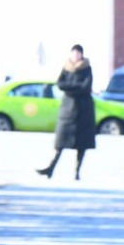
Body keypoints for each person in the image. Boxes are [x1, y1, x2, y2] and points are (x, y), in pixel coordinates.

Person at [37, 44, 96, 180]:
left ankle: (77, 172)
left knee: (82, 144)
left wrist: (70, 88)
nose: (75, 56)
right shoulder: (66, 67)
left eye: (78, 53)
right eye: (73, 53)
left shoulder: (87, 68)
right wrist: (75, 88)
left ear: (81, 54)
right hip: (68, 110)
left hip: (83, 110)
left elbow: (85, 87)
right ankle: (50, 168)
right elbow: (60, 84)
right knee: (61, 142)